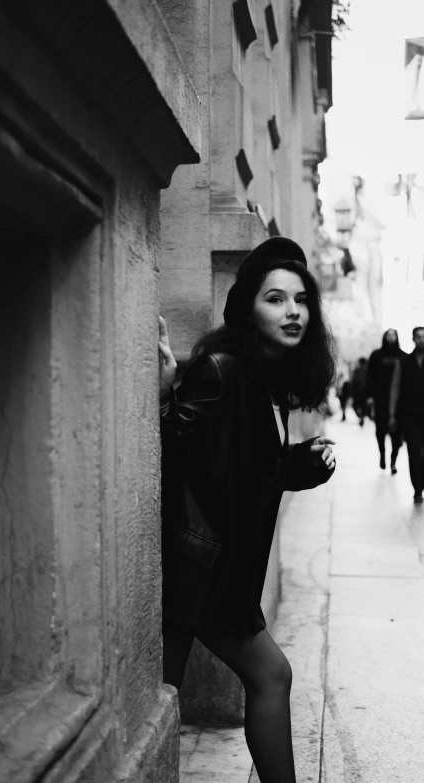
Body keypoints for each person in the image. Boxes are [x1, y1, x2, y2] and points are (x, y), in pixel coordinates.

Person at [158, 237, 336, 783]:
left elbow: (241, 464)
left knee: (164, 692)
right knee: (265, 676)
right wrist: (167, 395)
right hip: (199, 570)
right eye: (275, 299)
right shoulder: (223, 369)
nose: (292, 312)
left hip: (218, 569)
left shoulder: (263, 376)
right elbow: (176, 463)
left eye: (300, 300)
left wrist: (298, 464)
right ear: (248, 307)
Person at [389, 326, 424, 502]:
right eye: (418, 337)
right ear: (413, 339)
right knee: (414, 452)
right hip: (409, 414)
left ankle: (421, 481)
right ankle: (417, 488)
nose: (422, 340)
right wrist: (392, 415)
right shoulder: (402, 362)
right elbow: (395, 389)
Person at [366, 329, 405, 473]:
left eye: (393, 335)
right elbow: (369, 377)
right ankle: (382, 454)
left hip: (398, 402)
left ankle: (393, 461)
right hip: (380, 399)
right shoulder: (376, 355)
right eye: (388, 335)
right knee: (380, 430)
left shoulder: (403, 357)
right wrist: (369, 397)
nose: (391, 337)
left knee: (397, 434)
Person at [351, 357, 368, 426]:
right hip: (364, 392)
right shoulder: (368, 371)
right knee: (363, 405)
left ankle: (361, 417)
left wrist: (352, 392)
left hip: (358, 392)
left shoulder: (357, 370)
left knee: (356, 405)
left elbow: (353, 381)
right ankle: (362, 418)